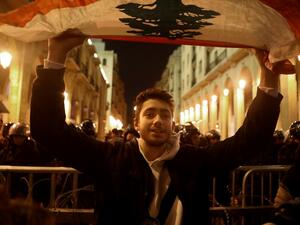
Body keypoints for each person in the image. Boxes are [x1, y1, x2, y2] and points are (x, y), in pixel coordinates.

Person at [30, 29, 293, 225]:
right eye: (150, 114)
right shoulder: (110, 158)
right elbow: (49, 131)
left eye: (165, 115)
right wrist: (56, 57)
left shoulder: (196, 161)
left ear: (172, 122)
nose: (158, 120)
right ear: (137, 123)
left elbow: (251, 140)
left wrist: (268, 74)